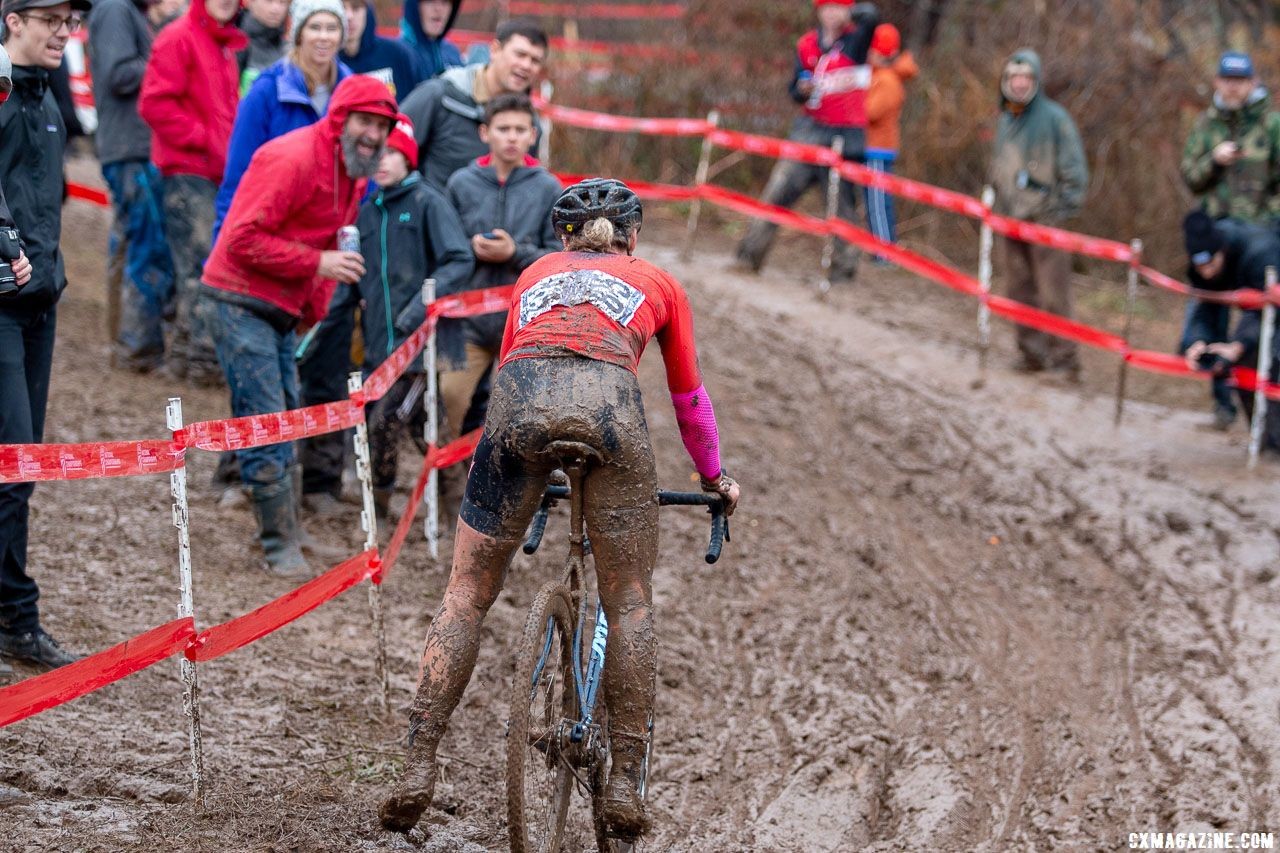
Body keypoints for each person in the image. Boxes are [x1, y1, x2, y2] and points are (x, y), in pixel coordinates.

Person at [379, 178, 741, 839]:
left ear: (561, 239)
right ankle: (628, 781)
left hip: (520, 404)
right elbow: (689, 397)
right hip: (609, 410)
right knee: (629, 598)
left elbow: (515, 360)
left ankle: (417, 763)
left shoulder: (535, 273)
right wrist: (715, 477)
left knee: (465, 591)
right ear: (633, 237)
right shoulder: (657, 279)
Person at [200, 75, 396, 575]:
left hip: (282, 308)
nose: (373, 134)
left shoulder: (351, 174)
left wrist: (311, 307)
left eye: (382, 125)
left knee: (288, 415)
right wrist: (317, 265)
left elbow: (334, 248)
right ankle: (277, 544)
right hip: (237, 297)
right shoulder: (292, 158)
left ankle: (288, 529)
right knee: (268, 420)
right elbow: (241, 239)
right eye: (365, 122)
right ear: (340, 119)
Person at [318, 113, 471, 517]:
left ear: (409, 158)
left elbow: (458, 258)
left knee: (384, 424)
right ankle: (462, 496)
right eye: (377, 155)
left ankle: (383, 511)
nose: (381, 162)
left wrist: (417, 310)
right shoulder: (366, 212)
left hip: (420, 351)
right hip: (377, 349)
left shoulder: (427, 202)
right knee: (427, 431)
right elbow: (352, 280)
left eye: (392, 153)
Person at [0, 6, 83, 672]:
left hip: (38, 309)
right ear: (14, 21)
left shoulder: (49, 98)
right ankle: (16, 615)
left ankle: (12, 613)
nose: (63, 32)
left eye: (71, 21)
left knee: (19, 466)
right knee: (12, 465)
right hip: (0, 307)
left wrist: (50, 273)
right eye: (51, 19)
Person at [138, 0, 246, 386]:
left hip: (212, 170)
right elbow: (154, 103)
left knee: (199, 265)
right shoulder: (180, 37)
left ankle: (185, 357)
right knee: (198, 265)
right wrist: (204, 139)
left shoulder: (222, 44)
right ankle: (201, 358)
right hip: (187, 170)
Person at [441, 92, 559, 440]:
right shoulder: (461, 183)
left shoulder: (548, 187)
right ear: (484, 133)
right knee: (450, 398)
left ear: (533, 135)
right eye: (503, 128)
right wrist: (470, 248)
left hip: (524, 323)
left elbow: (557, 258)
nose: (511, 137)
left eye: (520, 129)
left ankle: (508, 486)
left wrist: (515, 252)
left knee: (522, 415)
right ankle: (453, 482)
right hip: (466, 321)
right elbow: (444, 246)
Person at [733, 0, 879, 282]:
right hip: (808, 132)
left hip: (845, 136)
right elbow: (793, 90)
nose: (832, 13)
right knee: (776, 195)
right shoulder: (807, 44)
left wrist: (850, 15)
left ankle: (843, 272)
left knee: (842, 208)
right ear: (819, 10)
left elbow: (872, 16)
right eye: (828, 7)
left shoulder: (857, 39)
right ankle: (747, 257)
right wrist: (801, 90)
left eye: (839, 7)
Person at [214, 0, 352, 239]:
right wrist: (224, 239)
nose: (323, 37)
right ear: (298, 33)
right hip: (276, 226)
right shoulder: (268, 89)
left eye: (332, 28)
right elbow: (238, 171)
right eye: (314, 27)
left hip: (331, 232)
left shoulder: (352, 91)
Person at [990, 48, 1088, 379]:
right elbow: (1000, 167)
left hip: (1046, 221)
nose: (1019, 84)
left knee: (1054, 294)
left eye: (1026, 78)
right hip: (1011, 218)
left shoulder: (1055, 119)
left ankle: (1065, 361)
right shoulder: (1006, 119)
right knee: (1019, 290)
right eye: (1014, 78)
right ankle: (1031, 353)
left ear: (1036, 81)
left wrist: (1057, 211)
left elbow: (1075, 174)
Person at [88, 0, 174, 373]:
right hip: (130, 148)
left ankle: (128, 340)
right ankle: (137, 346)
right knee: (144, 244)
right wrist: (168, 53)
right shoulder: (115, 10)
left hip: (132, 147)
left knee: (130, 242)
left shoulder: (129, 12)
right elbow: (119, 74)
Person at [399, 17, 547, 193]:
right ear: (495, 50)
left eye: (535, 60)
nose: (526, 65)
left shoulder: (530, 125)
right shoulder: (440, 96)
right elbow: (393, 150)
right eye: (520, 54)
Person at [1181, 210, 1279, 434]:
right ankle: (1267, 444)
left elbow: (1267, 313)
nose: (1206, 273)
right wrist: (1198, 341)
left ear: (1222, 251)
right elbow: (1205, 307)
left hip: (1273, 299)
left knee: (1269, 363)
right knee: (1242, 368)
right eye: (1199, 267)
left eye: (1210, 264)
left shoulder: (1261, 253)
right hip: (1259, 309)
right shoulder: (1201, 266)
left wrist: (1238, 344)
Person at [1181, 51, 1280, 226]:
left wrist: (1271, 219)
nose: (1233, 87)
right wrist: (1214, 160)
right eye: (1228, 80)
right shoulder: (1206, 124)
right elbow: (1191, 180)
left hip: (1264, 228)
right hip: (1217, 227)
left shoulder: (1272, 125)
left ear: (1252, 83)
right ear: (1216, 82)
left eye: (1240, 80)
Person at [862, 22, 916, 255]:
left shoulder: (887, 80)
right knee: (875, 202)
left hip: (878, 149)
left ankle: (884, 250)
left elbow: (870, 112)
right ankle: (880, 247)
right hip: (873, 147)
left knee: (878, 203)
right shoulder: (880, 77)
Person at [341, 0, 420, 98]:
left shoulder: (397, 53)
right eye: (342, 8)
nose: (349, 16)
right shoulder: (328, 62)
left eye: (356, 8)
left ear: (368, 11)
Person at [235, 0, 289, 95]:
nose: (276, 9)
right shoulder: (236, 44)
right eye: (269, 1)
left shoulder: (290, 48)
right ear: (251, 3)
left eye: (282, 2)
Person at [398, 0, 458, 80]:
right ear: (413, 6)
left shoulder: (452, 52)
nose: (438, 8)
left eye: (445, 1)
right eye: (430, 1)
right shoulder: (398, 55)